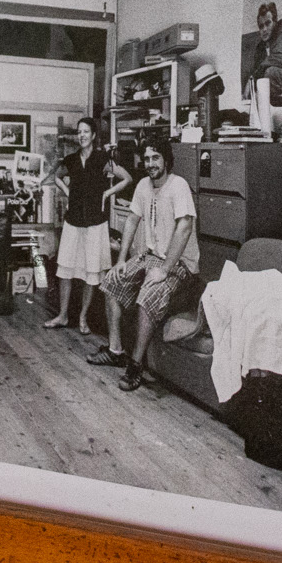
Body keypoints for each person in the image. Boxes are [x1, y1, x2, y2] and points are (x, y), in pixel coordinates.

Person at [100, 142, 199, 392]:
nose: (151, 163)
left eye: (156, 158)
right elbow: (132, 220)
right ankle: (115, 350)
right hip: (151, 256)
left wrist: (165, 269)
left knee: (148, 295)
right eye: (146, 159)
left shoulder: (179, 186)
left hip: (179, 265)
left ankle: (135, 365)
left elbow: (184, 228)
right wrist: (121, 260)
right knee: (111, 282)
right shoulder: (143, 185)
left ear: (166, 160)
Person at [45, 117, 130, 336]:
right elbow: (57, 177)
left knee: (92, 272)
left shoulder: (103, 158)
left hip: (95, 223)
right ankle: (63, 315)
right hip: (73, 221)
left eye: (86, 132)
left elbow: (126, 178)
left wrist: (106, 193)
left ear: (93, 135)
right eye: (79, 132)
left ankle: (82, 317)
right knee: (65, 270)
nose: (81, 135)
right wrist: (68, 192)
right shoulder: (72, 160)